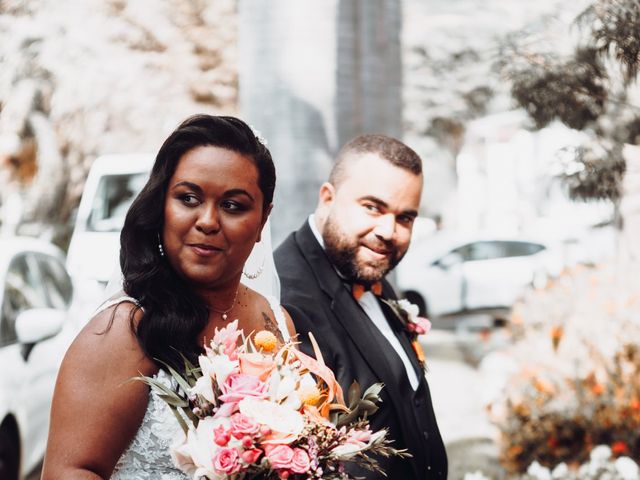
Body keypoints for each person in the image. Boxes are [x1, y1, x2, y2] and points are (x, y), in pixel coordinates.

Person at [42, 114, 295, 479]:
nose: (208, 221)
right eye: (188, 198)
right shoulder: (123, 332)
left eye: (233, 205)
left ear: (262, 221)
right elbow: (68, 471)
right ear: (162, 205)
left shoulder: (278, 322)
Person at [274, 134, 448, 479]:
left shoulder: (366, 266)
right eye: (373, 207)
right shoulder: (285, 301)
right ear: (327, 198)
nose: (388, 231)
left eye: (405, 218)